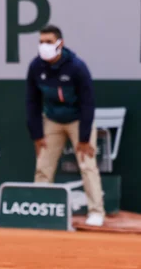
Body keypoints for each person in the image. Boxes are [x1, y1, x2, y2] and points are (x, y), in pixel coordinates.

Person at [26, 25, 105, 227]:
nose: (44, 45)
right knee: (43, 166)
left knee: (88, 165)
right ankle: (39, 210)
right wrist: (37, 135)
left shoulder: (77, 67)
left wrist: (85, 138)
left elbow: (88, 102)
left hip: (78, 120)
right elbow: (32, 102)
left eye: (49, 42)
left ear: (60, 43)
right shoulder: (36, 66)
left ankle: (96, 212)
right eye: (41, 41)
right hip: (52, 120)